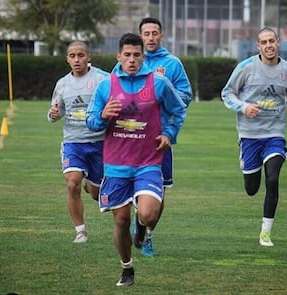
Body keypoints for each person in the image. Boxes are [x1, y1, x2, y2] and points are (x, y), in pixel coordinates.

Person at [86, 33, 186, 287]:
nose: (132, 60)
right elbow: (91, 121)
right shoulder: (106, 86)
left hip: (148, 163)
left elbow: (178, 110)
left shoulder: (159, 83)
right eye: (127, 55)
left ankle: (142, 227)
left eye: (137, 55)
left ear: (144, 57)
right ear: (119, 56)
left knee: (149, 214)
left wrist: (168, 133)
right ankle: (127, 267)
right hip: (116, 165)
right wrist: (102, 115)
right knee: (120, 220)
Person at [221, 27, 287, 247]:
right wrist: (244, 106)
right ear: (258, 46)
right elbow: (226, 93)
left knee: (273, 179)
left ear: (278, 42)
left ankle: (265, 233)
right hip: (249, 136)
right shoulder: (246, 68)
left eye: (271, 41)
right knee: (251, 189)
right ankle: (246, 163)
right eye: (263, 42)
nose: (268, 45)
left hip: (275, 134)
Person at [135, 16, 193, 257]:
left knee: (159, 192)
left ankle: (147, 234)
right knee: (130, 188)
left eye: (154, 33)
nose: (150, 37)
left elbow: (185, 95)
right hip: (131, 138)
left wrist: (164, 100)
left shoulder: (172, 64)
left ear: (161, 36)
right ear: (140, 36)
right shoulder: (130, 60)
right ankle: (137, 220)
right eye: (146, 33)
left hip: (160, 139)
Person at [48, 41, 109, 243]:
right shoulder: (62, 84)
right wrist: (54, 114)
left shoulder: (103, 79)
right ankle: (80, 231)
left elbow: (117, 101)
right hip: (73, 143)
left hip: (99, 143)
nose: (77, 60)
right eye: (72, 56)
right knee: (72, 183)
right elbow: (55, 112)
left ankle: (90, 184)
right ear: (67, 59)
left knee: (96, 193)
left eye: (81, 55)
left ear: (88, 57)